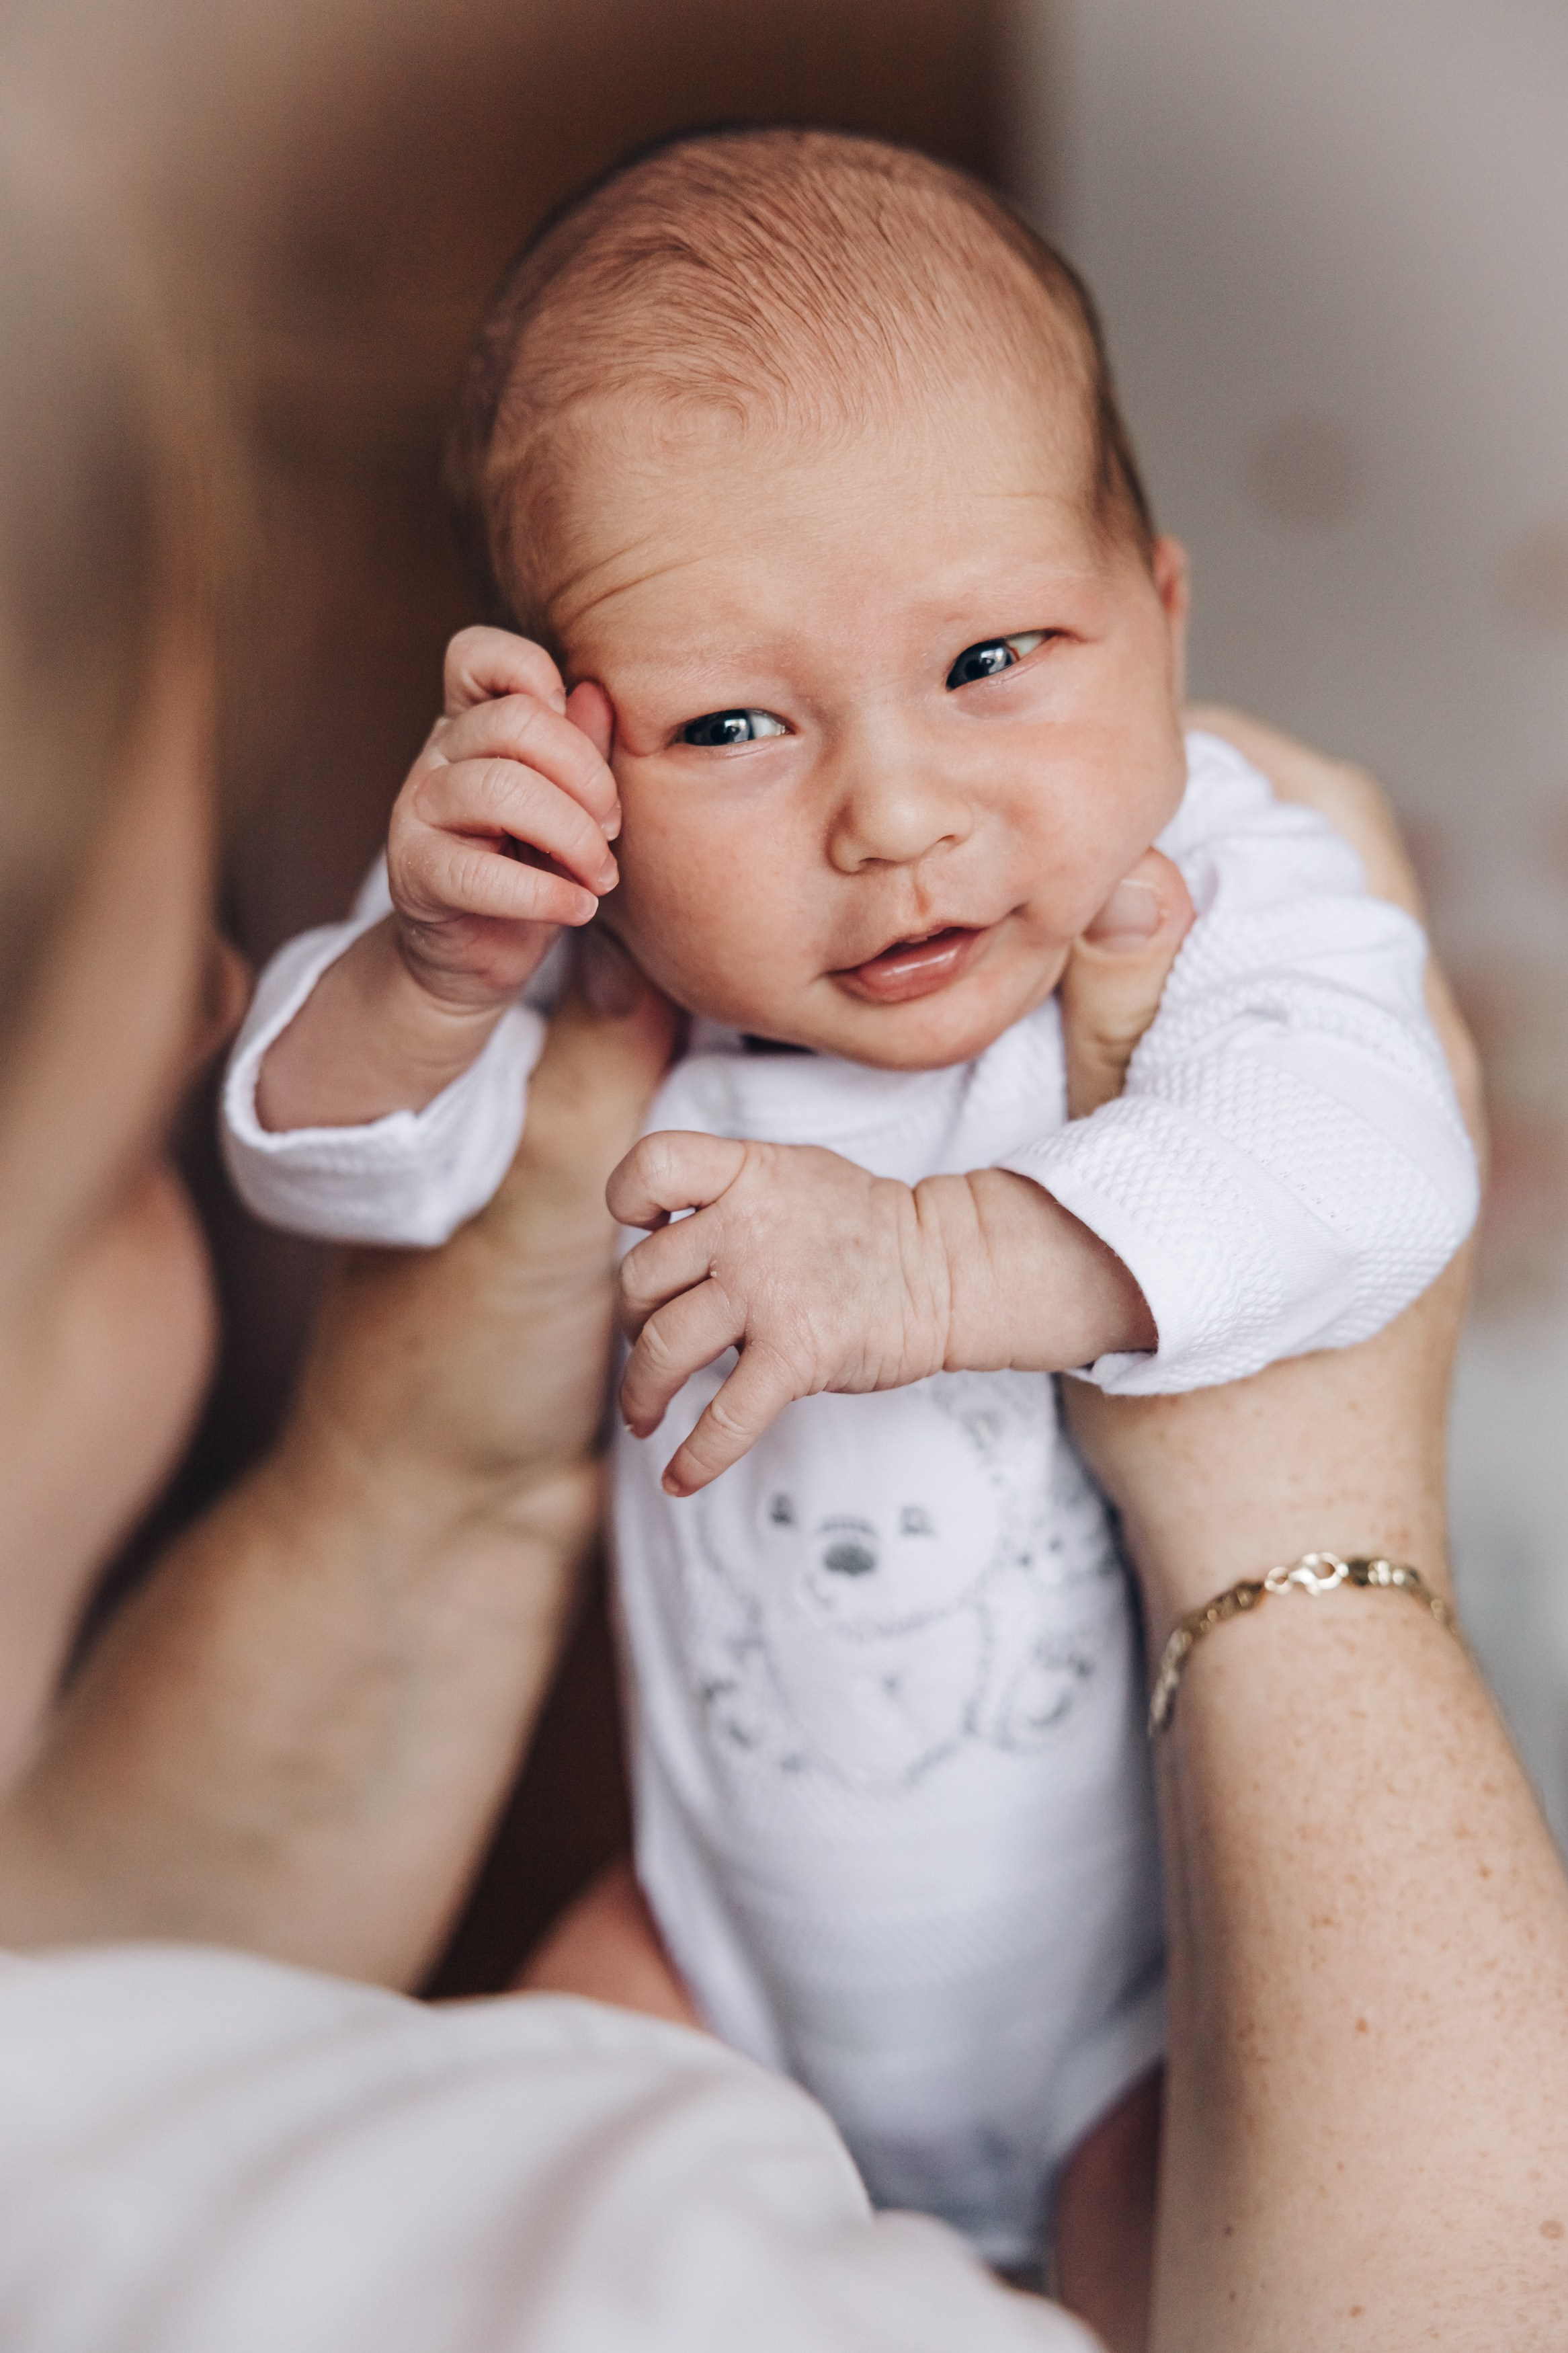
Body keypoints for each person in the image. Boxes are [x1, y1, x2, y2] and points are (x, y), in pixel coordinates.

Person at [3, 133, 1567, 2353]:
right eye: (734, 723)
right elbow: (319, 1155)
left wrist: (936, 1270)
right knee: (494, 2142)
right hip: (715, 1947)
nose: (895, 812)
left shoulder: (1217, 875)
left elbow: (1365, 1170)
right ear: (570, 750)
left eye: (997, 658)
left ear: (1166, 610)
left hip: (1141, 2004)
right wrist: (430, 973)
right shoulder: (579, 938)